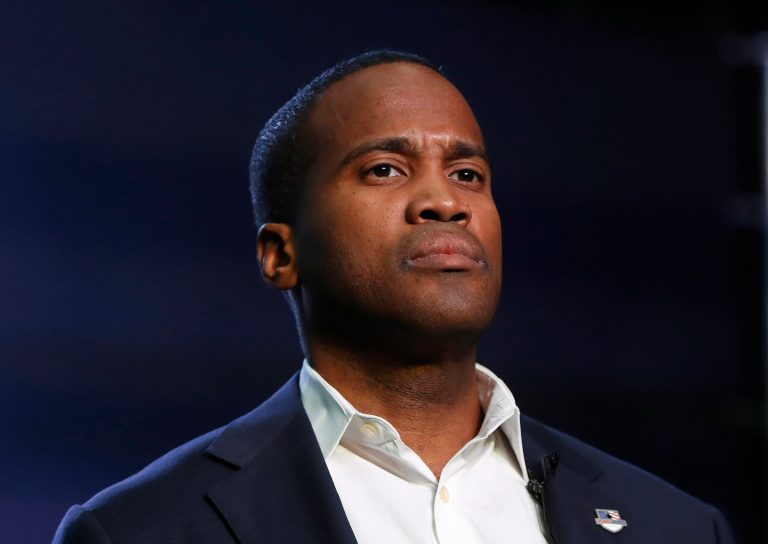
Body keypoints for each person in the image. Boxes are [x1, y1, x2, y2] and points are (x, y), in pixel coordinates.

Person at [54, 50, 734, 544]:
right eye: (385, 169)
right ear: (280, 255)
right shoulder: (139, 531)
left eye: (468, 173)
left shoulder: (675, 526)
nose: (445, 201)